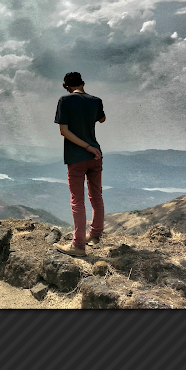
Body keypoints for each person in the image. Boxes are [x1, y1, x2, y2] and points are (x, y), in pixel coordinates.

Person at [53, 71, 106, 256]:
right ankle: (95, 235)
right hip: (96, 155)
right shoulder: (96, 100)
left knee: (77, 201)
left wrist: (85, 146)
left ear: (68, 87)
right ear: (83, 83)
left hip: (76, 156)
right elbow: (102, 119)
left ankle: (78, 245)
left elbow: (64, 131)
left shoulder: (65, 101)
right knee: (96, 196)